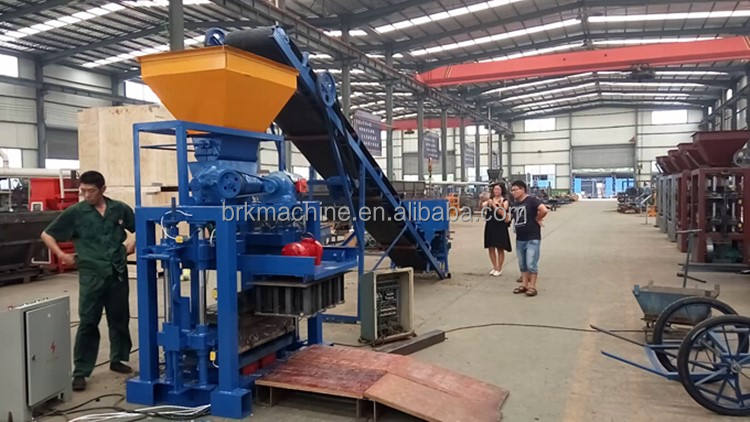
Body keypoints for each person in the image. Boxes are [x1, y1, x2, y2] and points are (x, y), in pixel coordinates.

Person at [41, 171, 135, 392]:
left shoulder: (119, 209)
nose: (86, 195)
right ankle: (81, 371)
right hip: (91, 275)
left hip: (117, 273)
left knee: (119, 318)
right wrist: (61, 255)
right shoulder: (76, 213)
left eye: (90, 191)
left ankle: (118, 359)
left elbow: (141, 226)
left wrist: (132, 243)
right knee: (88, 322)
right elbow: (47, 234)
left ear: (103, 189)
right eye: (82, 191)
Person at [509, 180, 548, 297]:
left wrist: (538, 218)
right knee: (522, 264)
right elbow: (510, 218)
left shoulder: (532, 200)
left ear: (522, 189)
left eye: (515, 190)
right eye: (512, 190)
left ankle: (532, 286)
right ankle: (524, 284)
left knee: (531, 263)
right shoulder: (515, 204)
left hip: (532, 237)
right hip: (520, 238)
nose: (513, 192)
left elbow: (544, 209)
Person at [482, 183, 511, 276]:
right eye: (495, 189)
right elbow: (483, 206)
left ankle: (499, 268)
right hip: (490, 224)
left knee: (500, 247)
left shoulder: (504, 201)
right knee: (491, 246)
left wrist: (494, 205)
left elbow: (502, 212)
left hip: (500, 226)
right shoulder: (490, 200)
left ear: (502, 190)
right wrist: (486, 201)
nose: (496, 191)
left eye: (498, 189)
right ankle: (494, 267)